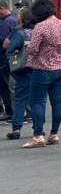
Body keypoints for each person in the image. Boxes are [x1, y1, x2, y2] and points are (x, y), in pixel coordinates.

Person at [22, 0, 61, 148]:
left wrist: (27, 46)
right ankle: (54, 134)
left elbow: (33, 49)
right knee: (57, 101)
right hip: (60, 68)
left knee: (36, 102)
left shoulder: (40, 27)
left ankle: (38, 135)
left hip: (42, 69)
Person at [5, 8, 34, 140]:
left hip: (22, 69)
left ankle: (16, 128)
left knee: (20, 98)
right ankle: (38, 129)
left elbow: (10, 48)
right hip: (37, 68)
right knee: (38, 99)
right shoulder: (36, 32)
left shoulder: (20, 33)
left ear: (22, 18)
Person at [0, 1, 17, 121]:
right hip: (8, 58)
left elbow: (5, 42)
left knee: (5, 85)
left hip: (5, 58)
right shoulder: (13, 19)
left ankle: (10, 111)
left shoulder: (8, 21)